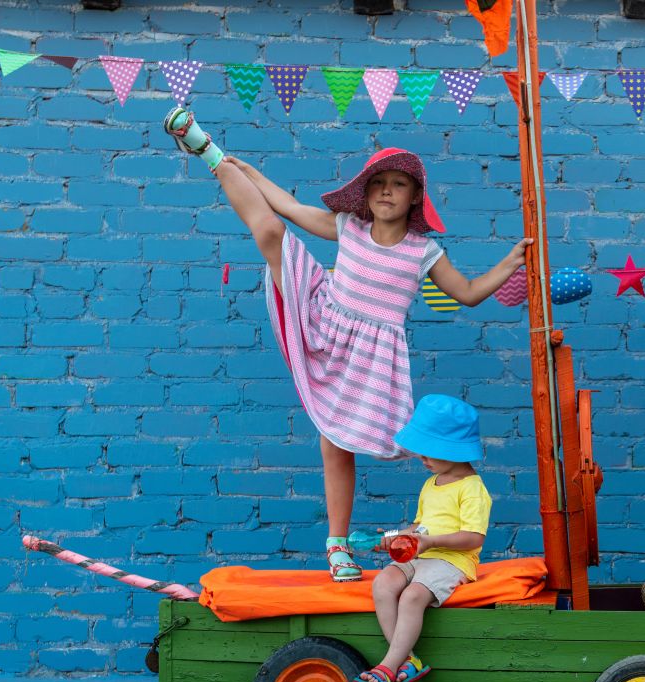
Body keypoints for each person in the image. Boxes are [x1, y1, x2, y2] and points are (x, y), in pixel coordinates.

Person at [162, 108, 528, 582]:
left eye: (399, 184)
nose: (387, 191)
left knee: (339, 445)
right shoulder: (348, 226)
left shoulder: (424, 251)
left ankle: (337, 545)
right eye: (379, 184)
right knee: (271, 231)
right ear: (366, 194)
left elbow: (469, 293)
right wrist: (248, 170)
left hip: (370, 358)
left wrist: (511, 262)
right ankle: (207, 150)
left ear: (415, 196)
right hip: (324, 320)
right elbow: (288, 207)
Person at [351, 394, 491, 682]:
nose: (422, 458)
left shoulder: (472, 488)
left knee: (413, 596)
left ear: (453, 450)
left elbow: (474, 537)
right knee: (383, 583)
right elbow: (419, 526)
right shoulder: (431, 483)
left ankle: (387, 668)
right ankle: (407, 661)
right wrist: (393, 536)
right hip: (421, 554)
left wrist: (430, 542)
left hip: (451, 561)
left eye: (429, 452)